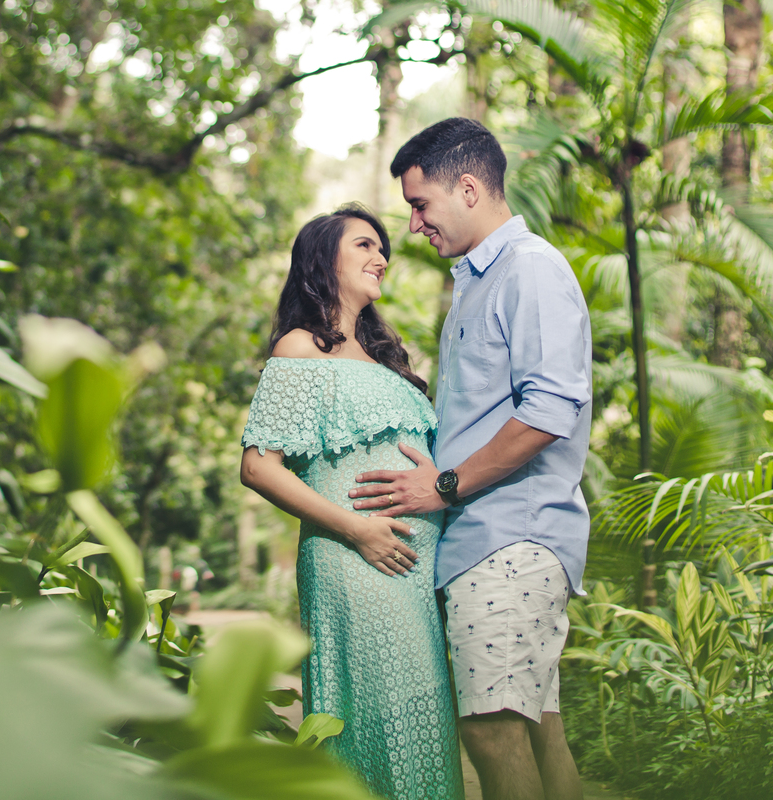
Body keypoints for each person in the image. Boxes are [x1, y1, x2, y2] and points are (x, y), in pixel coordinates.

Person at [349, 118, 591, 800]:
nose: (416, 225)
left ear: (468, 186)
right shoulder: (475, 283)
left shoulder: (530, 269)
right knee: (540, 736)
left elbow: (548, 410)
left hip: (513, 535)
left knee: (489, 731)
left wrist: (443, 486)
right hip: (492, 540)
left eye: (421, 205)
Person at [240, 204, 464, 800]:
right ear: (323, 260)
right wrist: (357, 530)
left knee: (419, 723)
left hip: (412, 575)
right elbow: (259, 467)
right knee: (379, 722)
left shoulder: (385, 358)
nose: (381, 257)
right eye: (364, 245)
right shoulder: (299, 347)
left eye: (382, 247)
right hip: (354, 560)